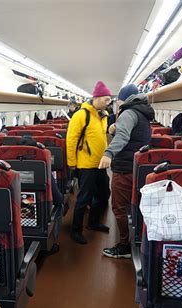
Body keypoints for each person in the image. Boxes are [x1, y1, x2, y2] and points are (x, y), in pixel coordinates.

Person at [98, 87, 155, 259]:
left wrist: (108, 153)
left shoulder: (128, 113)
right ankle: (141, 242)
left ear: (122, 100)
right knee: (137, 206)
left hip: (124, 168)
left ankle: (124, 246)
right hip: (138, 167)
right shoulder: (142, 113)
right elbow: (132, 134)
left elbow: (123, 137)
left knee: (118, 207)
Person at [66, 80, 112, 244]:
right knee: (84, 198)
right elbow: (71, 140)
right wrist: (72, 163)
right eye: (106, 99)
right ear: (97, 97)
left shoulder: (104, 116)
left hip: (100, 164)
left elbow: (100, 136)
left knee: (104, 193)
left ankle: (93, 222)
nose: (109, 102)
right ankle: (75, 230)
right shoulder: (81, 115)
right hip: (85, 164)